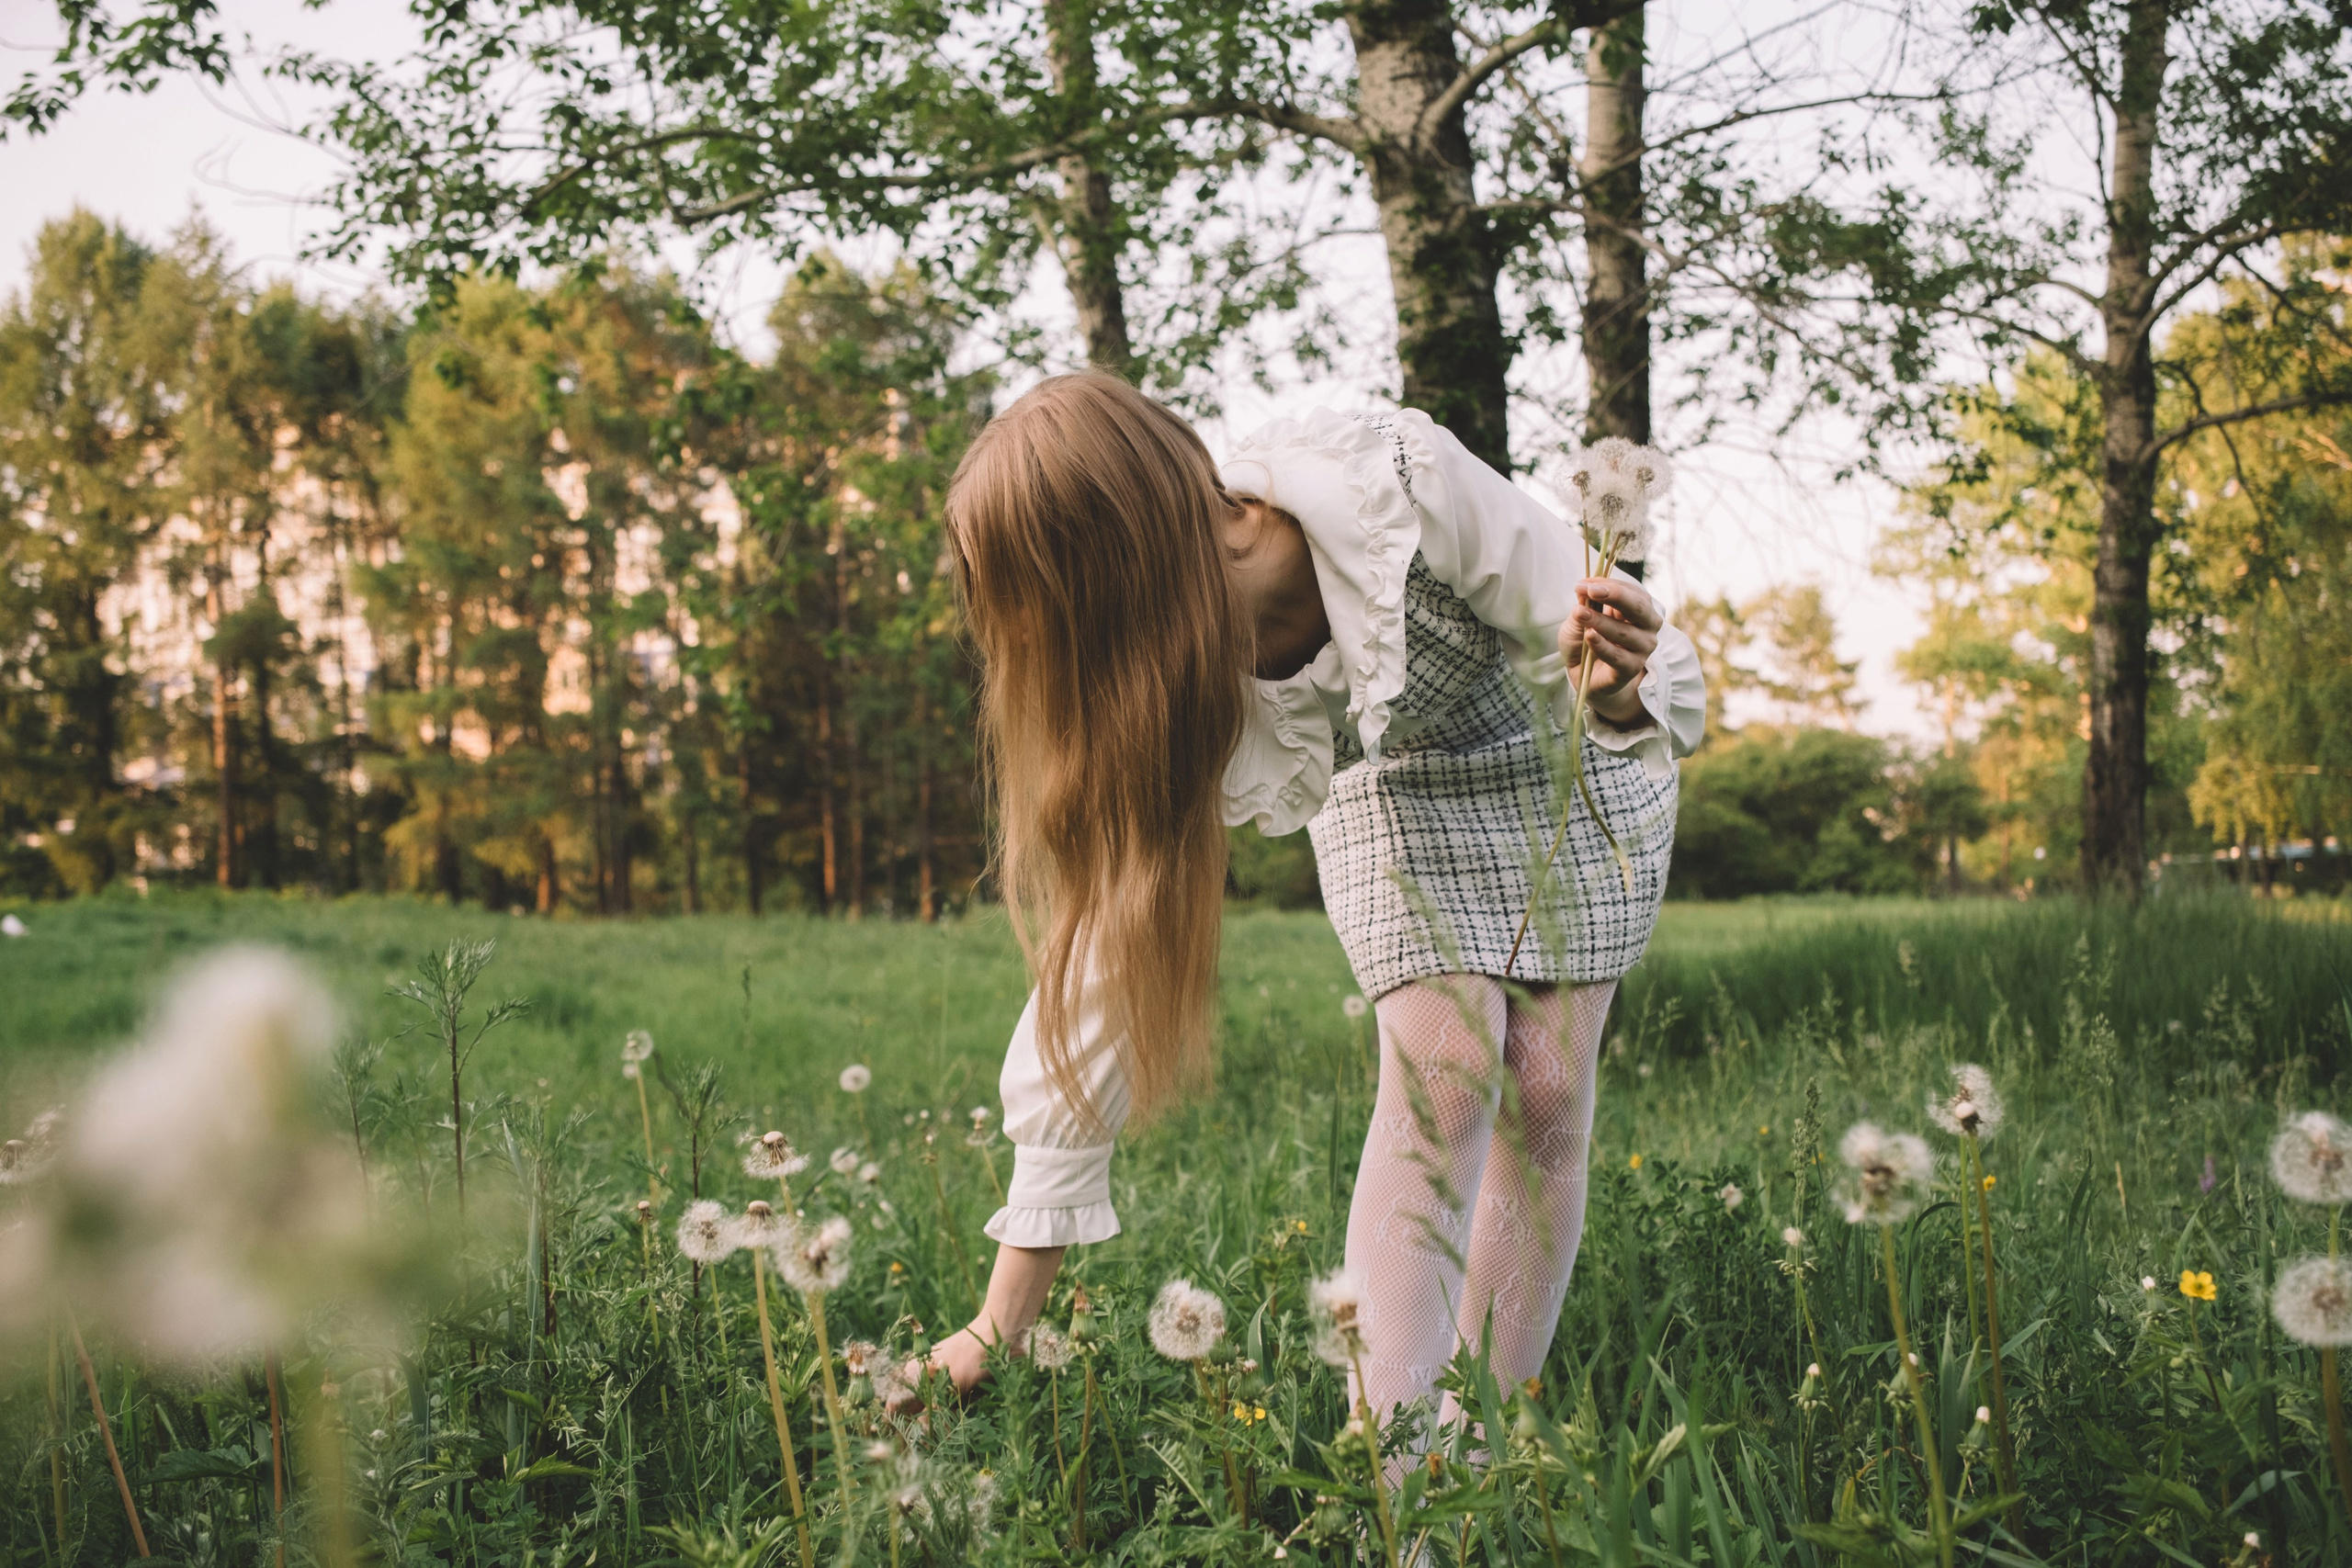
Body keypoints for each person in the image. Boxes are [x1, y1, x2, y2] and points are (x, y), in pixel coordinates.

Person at [919, 371, 1703, 1427]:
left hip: (1555, 744)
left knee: (1549, 1093)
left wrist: (1612, 683)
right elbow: (1100, 960)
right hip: (1395, 791)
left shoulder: (1387, 481)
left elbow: (1584, 618)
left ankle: (1486, 1442)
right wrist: (999, 1319)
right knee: (1449, 1068)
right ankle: (1399, 1478)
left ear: (1111, 579)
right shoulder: (1158, 695)